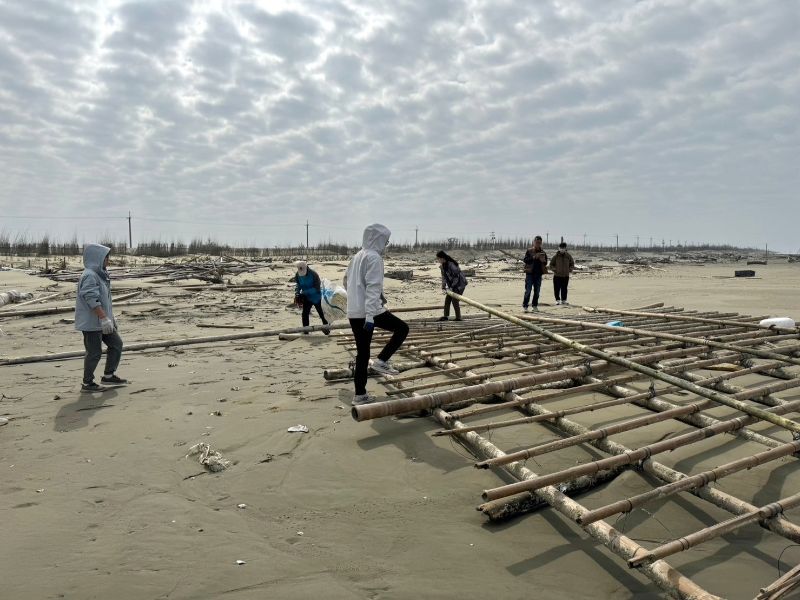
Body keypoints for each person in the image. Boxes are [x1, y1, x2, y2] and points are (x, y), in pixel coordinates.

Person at [344, 223, 409, 406]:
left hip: (354, 311)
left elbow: (347, 281)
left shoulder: (356, 256)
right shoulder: (374, 258)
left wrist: (359, 298)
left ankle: (360, 395)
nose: (385, 245)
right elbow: (372, 287)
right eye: (385, 241)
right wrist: (371, 317)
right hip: (368, 312)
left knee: (362, 354)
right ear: (378, 239)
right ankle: (382, 360)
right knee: (402, 329)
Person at [74, 243, 126, 391]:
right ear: (97, 258)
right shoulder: (89, 275)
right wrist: (103, 318)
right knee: (94, 352)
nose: (107, 260)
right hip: (92, 323)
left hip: (103, 321)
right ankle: (87, 383)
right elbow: (91, 298)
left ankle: (109, 376)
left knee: (116, 344)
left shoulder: (100, 274)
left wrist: (111, 318)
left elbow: (106, 300)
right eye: (105, 257)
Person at [291, 260, 330, 335]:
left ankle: (326, 329)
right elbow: (298, 285)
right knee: (305, 314)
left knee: (322, 314)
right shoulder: (297, 274)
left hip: (316, 297)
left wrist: (304, 292)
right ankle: (306, 330)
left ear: (307, 268)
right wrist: (297, 293)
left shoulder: (314, 274)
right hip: (307, 298)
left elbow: (316, 288)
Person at [436, 250, 467, 321]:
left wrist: (452, 287)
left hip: (460, 284)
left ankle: (458, 318)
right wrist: (443, 287)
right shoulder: (442, 267)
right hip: (452, 285)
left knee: (455, 300)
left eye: (438, 259)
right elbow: (444, 277)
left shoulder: (451, 265)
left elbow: (457, 277)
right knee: (447, 300)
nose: (438, 260)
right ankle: (446, 317)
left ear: (442, 258)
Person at [522, 235, 547, 312]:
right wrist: (534, 257)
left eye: (539, 243)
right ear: (534, 242)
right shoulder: (529, 251)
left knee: (537, 291)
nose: (538, 244)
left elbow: (546, 263)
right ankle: (525, 306)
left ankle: (534, 306)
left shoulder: (543, 252)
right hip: (530, 274)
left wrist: (543, 260)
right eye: (536, 242)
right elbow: (525, 260)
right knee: (528, 290)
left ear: (541, 243)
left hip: (538, 274)